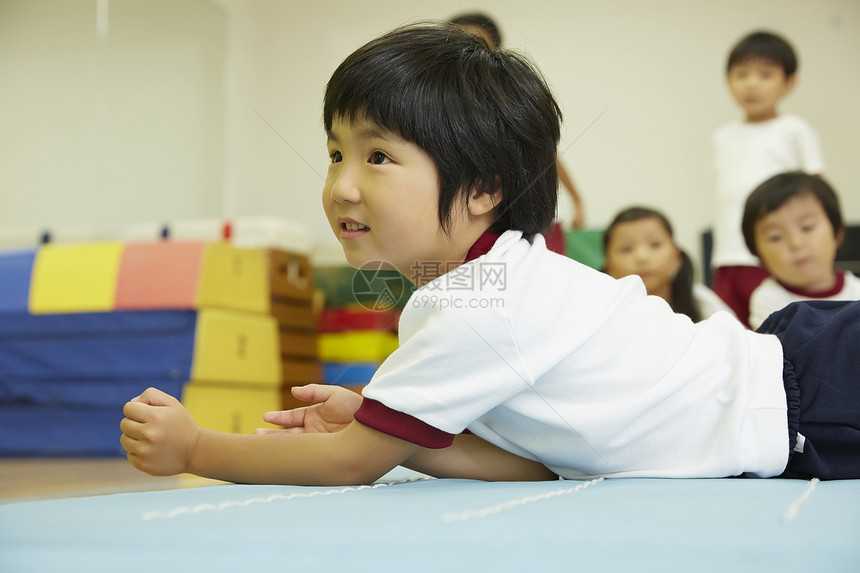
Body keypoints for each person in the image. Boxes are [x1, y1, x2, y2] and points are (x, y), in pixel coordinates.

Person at [121, 23, 860, 485]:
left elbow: (345, 465)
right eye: (335, 152)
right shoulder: (482, 284)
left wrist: (196, 448)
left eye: (377, 157)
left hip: (810, 396)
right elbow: (534, 461)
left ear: (480, 188)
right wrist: (388, 425)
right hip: (802, 374)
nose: (341, 184)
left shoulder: (479, 304)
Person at [711, 30, 825, 328]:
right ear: (728, 82)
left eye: (765, 75)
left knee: (776, 331)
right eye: (741, 74)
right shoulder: (722, 137)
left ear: (789, 83)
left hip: (772, 254)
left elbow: (817, 194)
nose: (751, 83)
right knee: (729, 331)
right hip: (727, 255)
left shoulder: (795, 130)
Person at [451, 11, 586, 255]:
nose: (465, 49)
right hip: (472, 216)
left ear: (493, 48)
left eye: (475, 42)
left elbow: (547, 153)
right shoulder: (438, 102)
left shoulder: (508, 94)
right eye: (456, 41)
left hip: (525, 213)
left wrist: (577, 200)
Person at [742, 171, 860, 330]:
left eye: (807, 227)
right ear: (758, 254)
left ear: (837, 232)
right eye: (776, 237)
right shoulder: (769, 299)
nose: (796, 244)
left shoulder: (856, 291)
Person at [604, 207, 735, 322]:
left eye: (655, 244)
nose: (641, 257)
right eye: (626, 249)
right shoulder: (601, 310)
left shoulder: (700, 302)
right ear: (608, 267)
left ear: (676, 258)